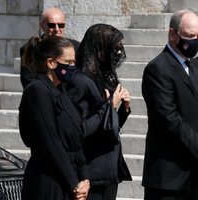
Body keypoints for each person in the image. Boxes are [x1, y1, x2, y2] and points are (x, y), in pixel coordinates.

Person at [64, 23, 132, 200]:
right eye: (114, 48)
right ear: (100, 49)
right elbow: (80, 129)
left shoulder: (105, 76)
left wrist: (123, 109)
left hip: (108, 168)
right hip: (91, 168)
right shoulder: (80, 81)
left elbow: (111, 127)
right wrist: (109, 106)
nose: (118, 53)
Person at [19, 36, 90, 200]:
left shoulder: (61, 91)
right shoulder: (37, 91)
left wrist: (84, 178)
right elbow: (51, 142)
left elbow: (76, 141)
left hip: (69, 180)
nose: (73, 67)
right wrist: (74, 184)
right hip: (49, 182)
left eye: (74, 62)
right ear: (51, 63)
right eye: (69, 62)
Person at [142, 9, 198, 200]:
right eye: (190, 36)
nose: (194, 42)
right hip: (169, 180)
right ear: (173, 34)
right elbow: (169, 119)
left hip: (193, 178)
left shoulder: (194, 66)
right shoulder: (158, 69)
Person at [20, 7, 80, 88]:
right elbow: (28, 79)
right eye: (51, 25)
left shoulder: (76, 47)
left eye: (61, 25)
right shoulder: (32, 48)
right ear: (42, 25)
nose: (57, 29)